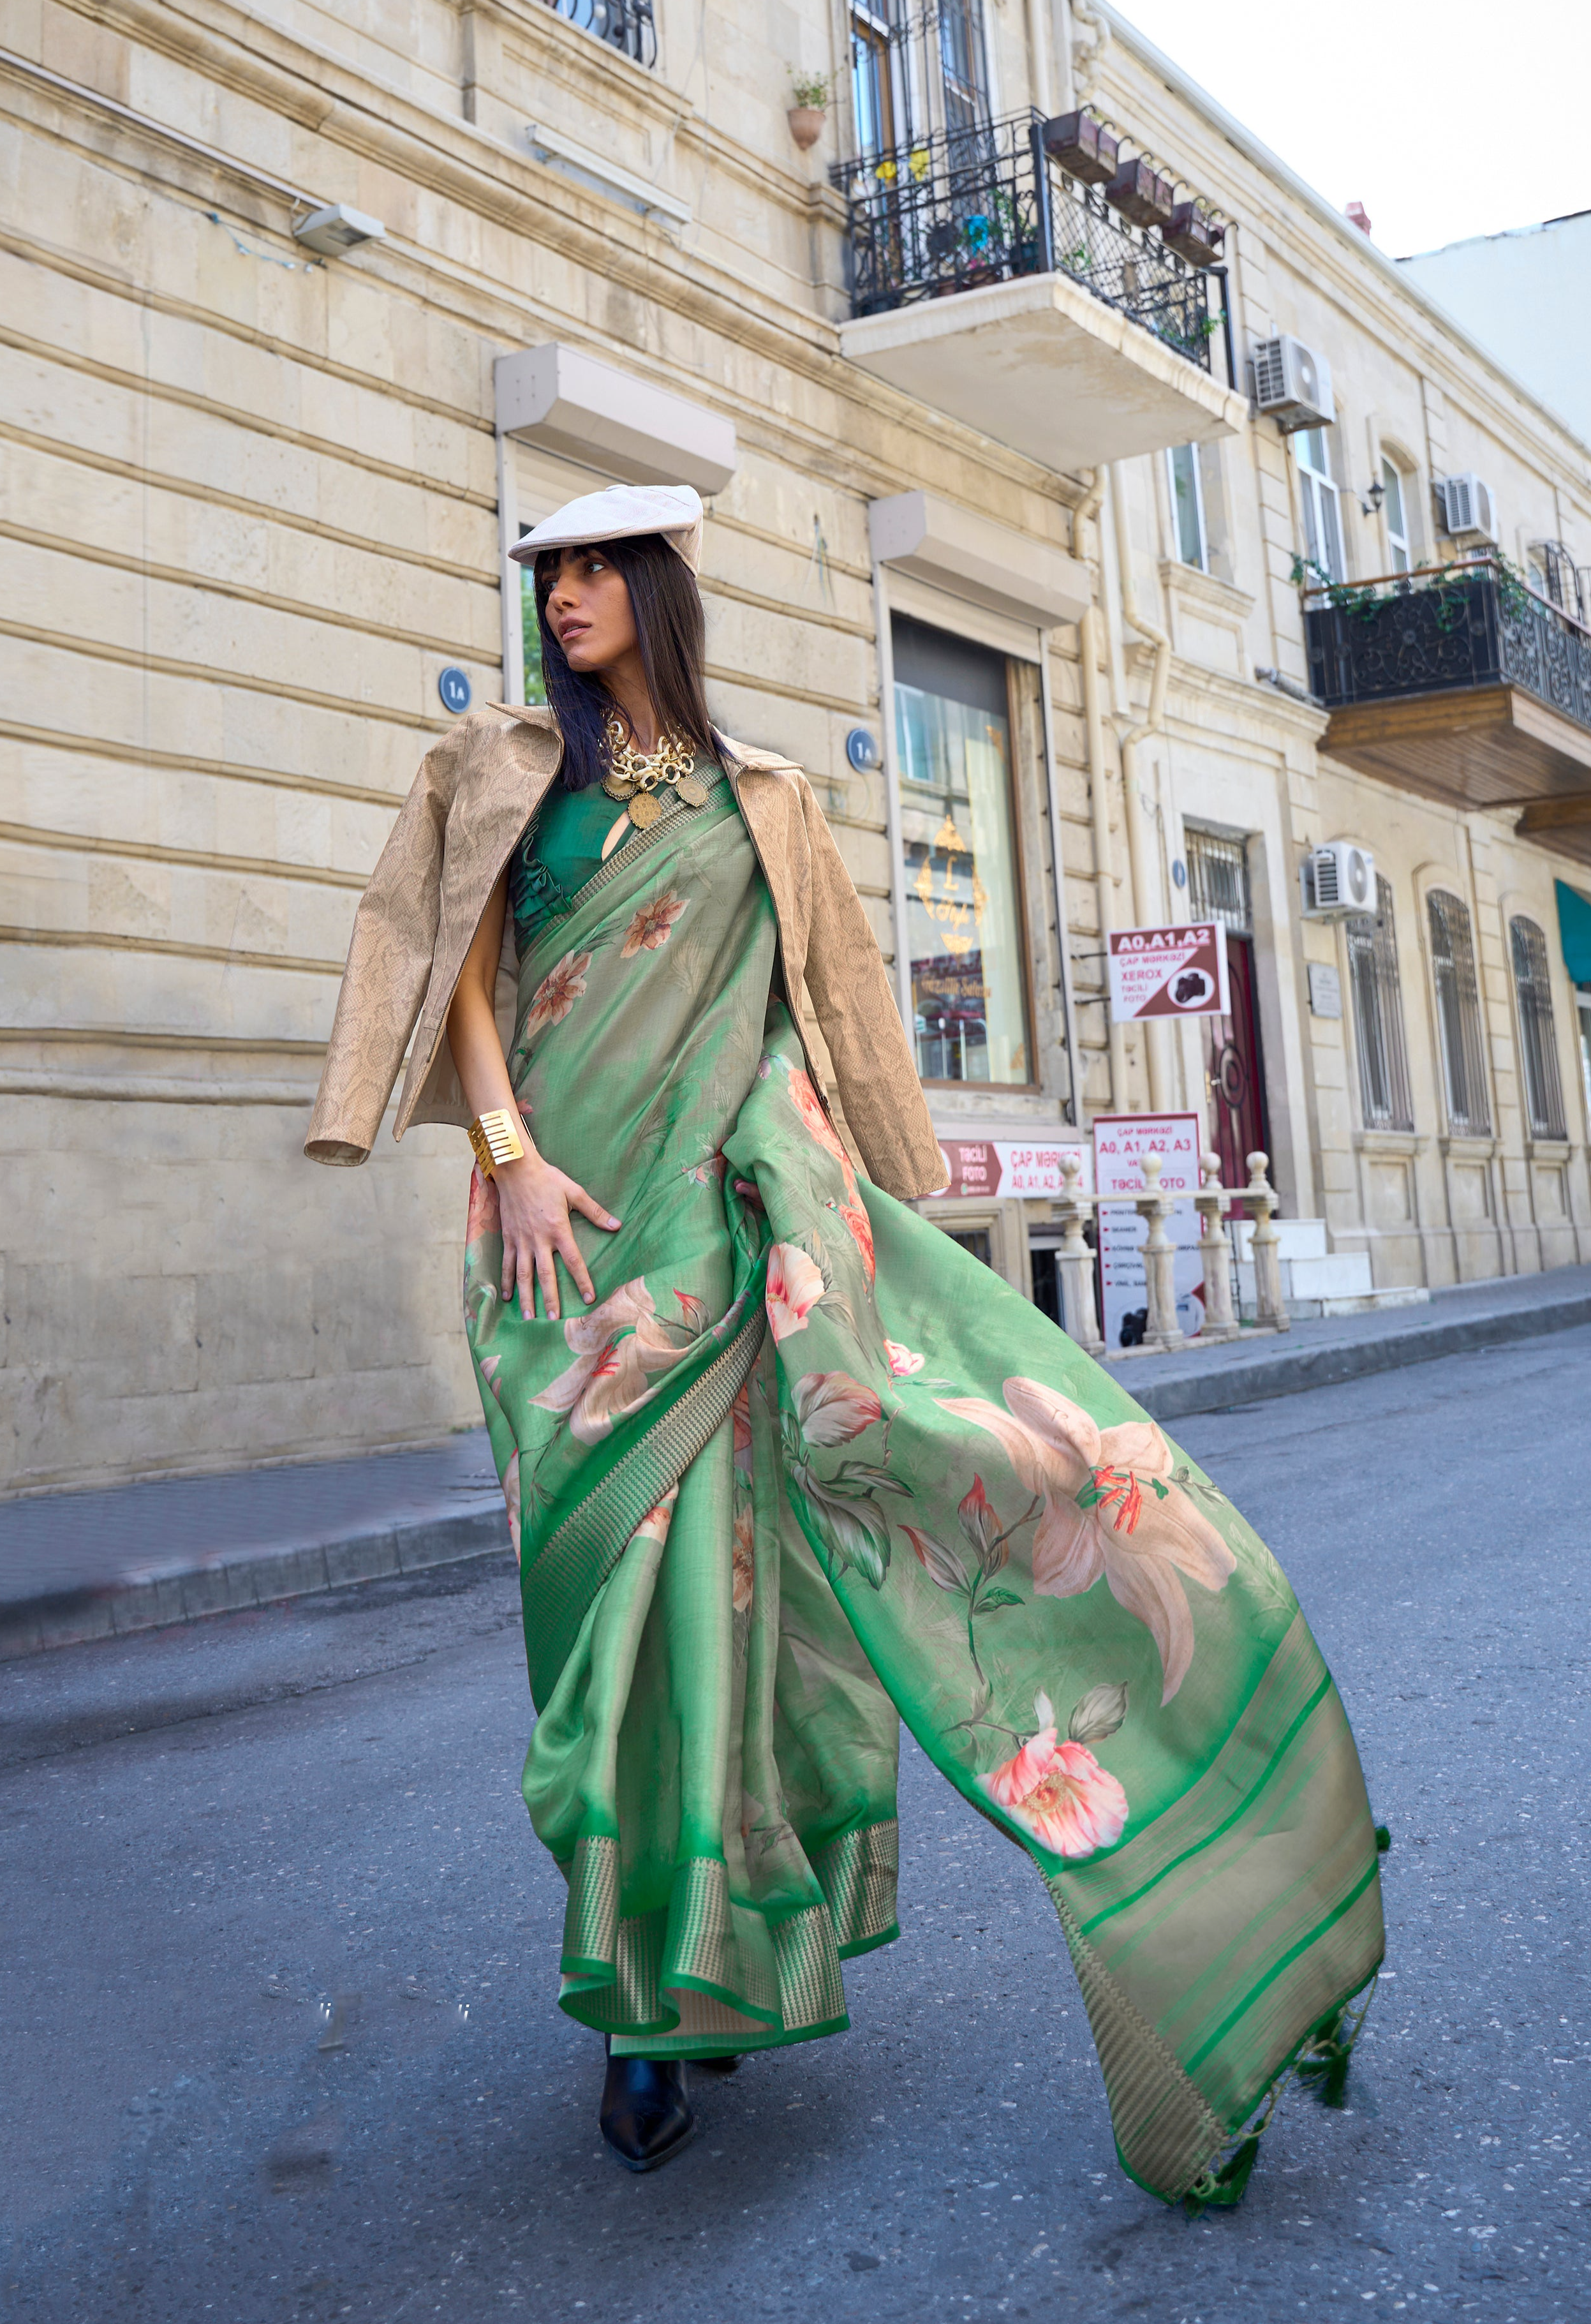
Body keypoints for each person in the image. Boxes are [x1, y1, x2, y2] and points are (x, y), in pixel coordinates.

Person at [306, 482, 1385, 2200]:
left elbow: (813, 1019)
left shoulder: (773, 804)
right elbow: (463, 979)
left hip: (727, 1247)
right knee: (598, 1645)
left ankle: (662, 2007)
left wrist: (828, 1186)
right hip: (558, 1266)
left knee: (730, 1621)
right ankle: (675, 1957)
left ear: (659, 592)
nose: (563, 595)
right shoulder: (500, 770)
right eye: (548, 571)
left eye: (594, 569)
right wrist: (505, 1158)